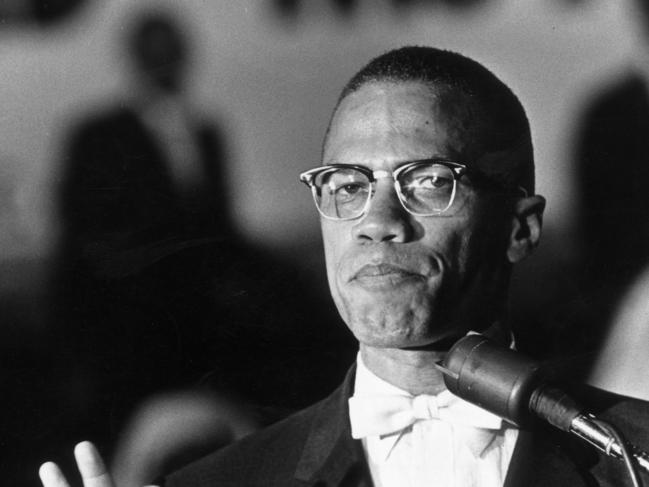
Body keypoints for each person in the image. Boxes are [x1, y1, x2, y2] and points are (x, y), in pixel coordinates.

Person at [39, 46, 649, 487]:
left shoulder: (633, 452)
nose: (378, 220)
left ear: (520, 228)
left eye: (429, 181)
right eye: (348, 185)